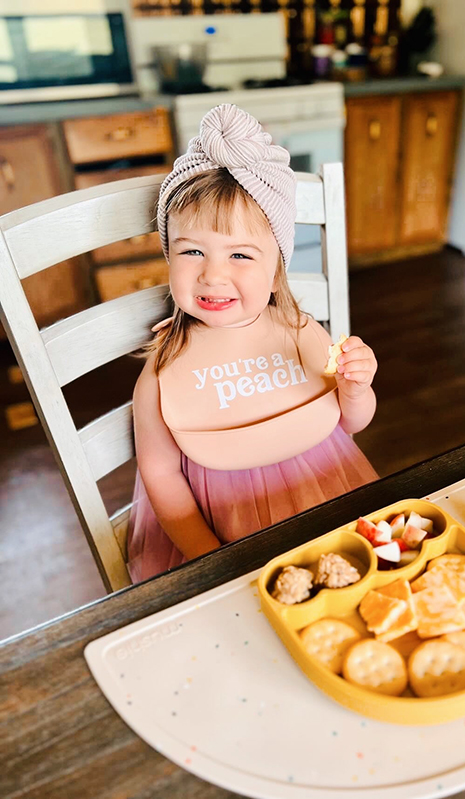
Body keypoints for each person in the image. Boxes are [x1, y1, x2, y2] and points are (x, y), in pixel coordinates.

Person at [127, 103, 378, 583]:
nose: (213, 274)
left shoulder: (302, 332)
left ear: (276, 267)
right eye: (192, 251)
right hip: (226, 526)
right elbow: (160, 475)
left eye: (240, 254)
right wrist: (210, 557)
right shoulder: (164, 370)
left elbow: (351, 424)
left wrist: (355, 389)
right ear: (169, 256)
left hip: (328, 499)